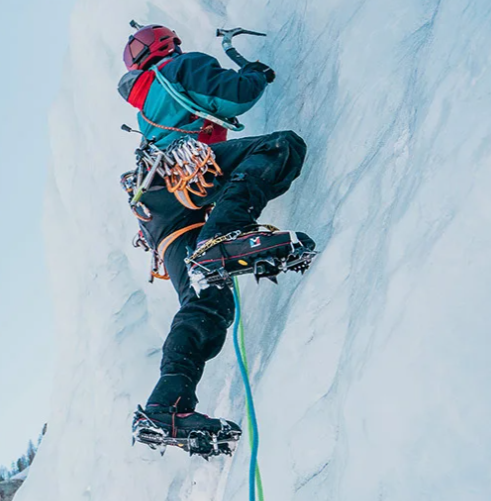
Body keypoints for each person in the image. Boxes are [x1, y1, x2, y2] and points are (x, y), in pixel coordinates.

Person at [118, 24, 315, 445]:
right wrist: (257, 73)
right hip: (183, 176)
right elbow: (237, 93)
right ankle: (222, 236)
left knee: (207, 299)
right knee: (281, 147)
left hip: (158, 214)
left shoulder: (144, 103)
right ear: (166, 46)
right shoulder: (179, 67)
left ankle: (166, 408)